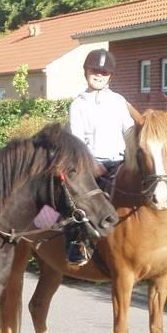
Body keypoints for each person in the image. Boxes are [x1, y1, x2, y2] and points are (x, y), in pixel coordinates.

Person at [66, 48, 134, 265]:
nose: (99, 75)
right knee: (78, 201)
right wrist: (92, 165)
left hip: (118, 162)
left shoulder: (119, 101)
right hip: (89, 165)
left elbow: (130, 131)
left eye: (104, 72)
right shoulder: (78, 105)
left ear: (110, 76)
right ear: (86, 72)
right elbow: (77, 141)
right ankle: (77, 244)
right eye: (95, 70)